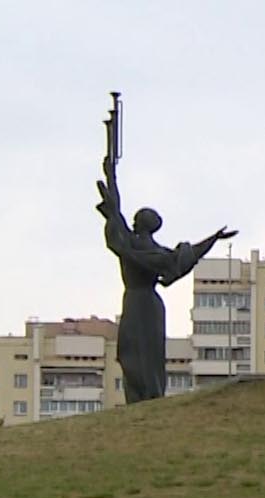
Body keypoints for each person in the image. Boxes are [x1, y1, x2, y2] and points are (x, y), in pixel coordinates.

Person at [94, 150, 233, 403]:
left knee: (141, 354)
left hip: (138, 303)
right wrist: (213, 239)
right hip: (147, 304)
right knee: (140, 353)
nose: (132, 222)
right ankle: (143, 397)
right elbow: (187, 256)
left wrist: (111, 176)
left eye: (135, 219)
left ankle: (144, 398)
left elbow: (115, 213)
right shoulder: (152, 251)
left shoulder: (130, 245)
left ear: (140, 224)